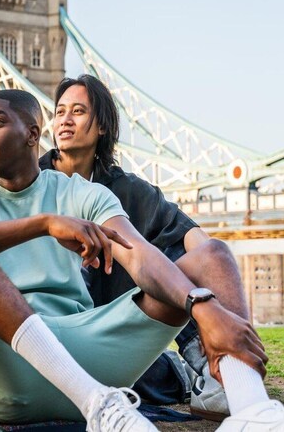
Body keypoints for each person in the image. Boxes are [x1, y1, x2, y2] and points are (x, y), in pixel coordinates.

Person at [0, 89, 284, 431]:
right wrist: (45, 224)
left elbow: (138, 255)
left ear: (32, 134)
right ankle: (97, 404)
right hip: (6, 367)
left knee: (214, 254)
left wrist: (201, 304)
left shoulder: (84, 193)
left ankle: (251, 411)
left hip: (86, 346)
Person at [39, 74, 249, 419]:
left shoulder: (128, 188)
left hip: (112, 325)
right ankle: (184, 373)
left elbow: (193, 237)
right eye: (60, 111)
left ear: (102, 126)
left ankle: (225, 372)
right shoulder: (32, 180)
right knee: (157, 378)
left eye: (77, 111)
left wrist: (221, 307)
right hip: (52, 327)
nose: (64, 119)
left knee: (196, 252)